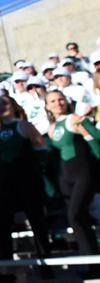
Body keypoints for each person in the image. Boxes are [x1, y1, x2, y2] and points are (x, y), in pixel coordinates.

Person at [0, 93, 51, 260]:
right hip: (6, 181)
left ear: (14, 107)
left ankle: (46, 261)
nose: (1, 107)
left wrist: (34, 170)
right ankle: (6, 261)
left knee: (36, 219)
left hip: (27, 178)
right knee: (1, 220)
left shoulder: (24, 126)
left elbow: (41, 149)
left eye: (5, 104)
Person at [44, 90, 100, 258]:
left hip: (83, 174)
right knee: (78, 218)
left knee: (74, 215)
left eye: (60, 99)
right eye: (52, 101)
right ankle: (90, 259)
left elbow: (98, 137)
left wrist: (86, 133)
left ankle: (92, 260)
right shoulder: (52, 129)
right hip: (65, 179)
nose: (57, 103)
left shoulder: (75, 118)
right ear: (47, 106)